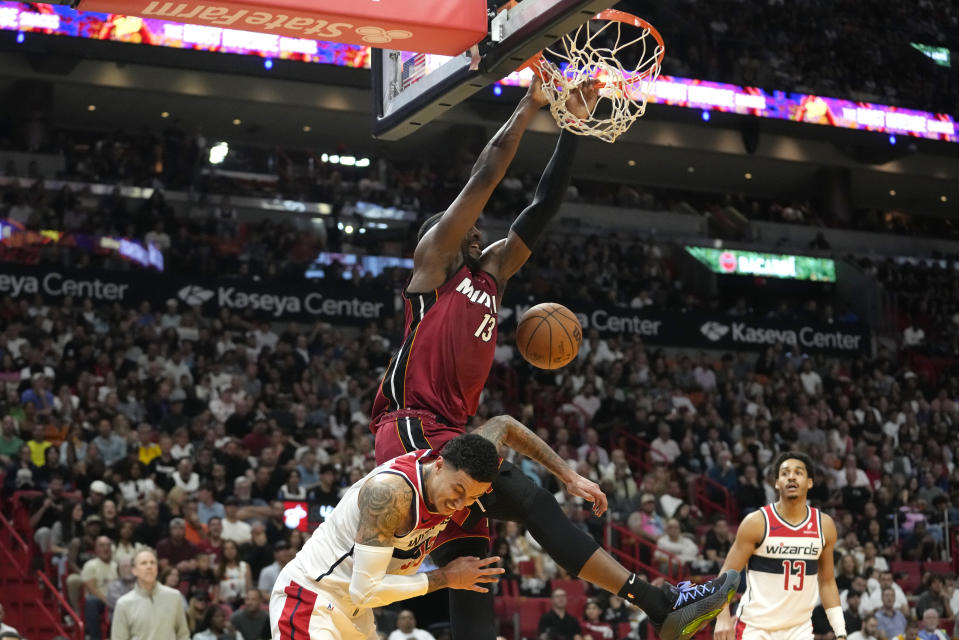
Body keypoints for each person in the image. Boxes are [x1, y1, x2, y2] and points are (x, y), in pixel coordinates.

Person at [368, 76, 738, 640]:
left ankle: (662, 606)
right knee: (530, 499)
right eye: (465, 228)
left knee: (475, 571)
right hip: (414, 432)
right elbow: (487, 172)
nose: (479, 231)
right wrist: (530, 103)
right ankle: (661, 605)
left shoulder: (490, 277)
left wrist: (571, 125)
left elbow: (544, 205)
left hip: (452, 431)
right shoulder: (433, 265)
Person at [270, 416, 608, 640]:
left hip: (356, 613)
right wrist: (448, 577)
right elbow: (365, 590)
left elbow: (504, 425)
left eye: (470, 497)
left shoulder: (462, 467)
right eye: (458, 490)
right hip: (311, 598)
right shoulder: (390, 495)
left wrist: (571, 476)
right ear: (439, 462)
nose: (459, 503)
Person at [714, 451, 846, 640]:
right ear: (776, 483)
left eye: (798, 472)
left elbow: (826, 581)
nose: (791, 477)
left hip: (799, 630)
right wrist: (722, 617)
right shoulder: (757, 522)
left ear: (809, 482)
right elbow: (726, 575)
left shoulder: (824, 526)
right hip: (755, 628)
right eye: (785, 473)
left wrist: (840, 629)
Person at [111, 549, 190, 640]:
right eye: (144, 563)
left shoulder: (174, 596)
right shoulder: (123, 603)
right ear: (134, 570)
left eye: (153, 563)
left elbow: (183, 634)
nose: (149, 566)